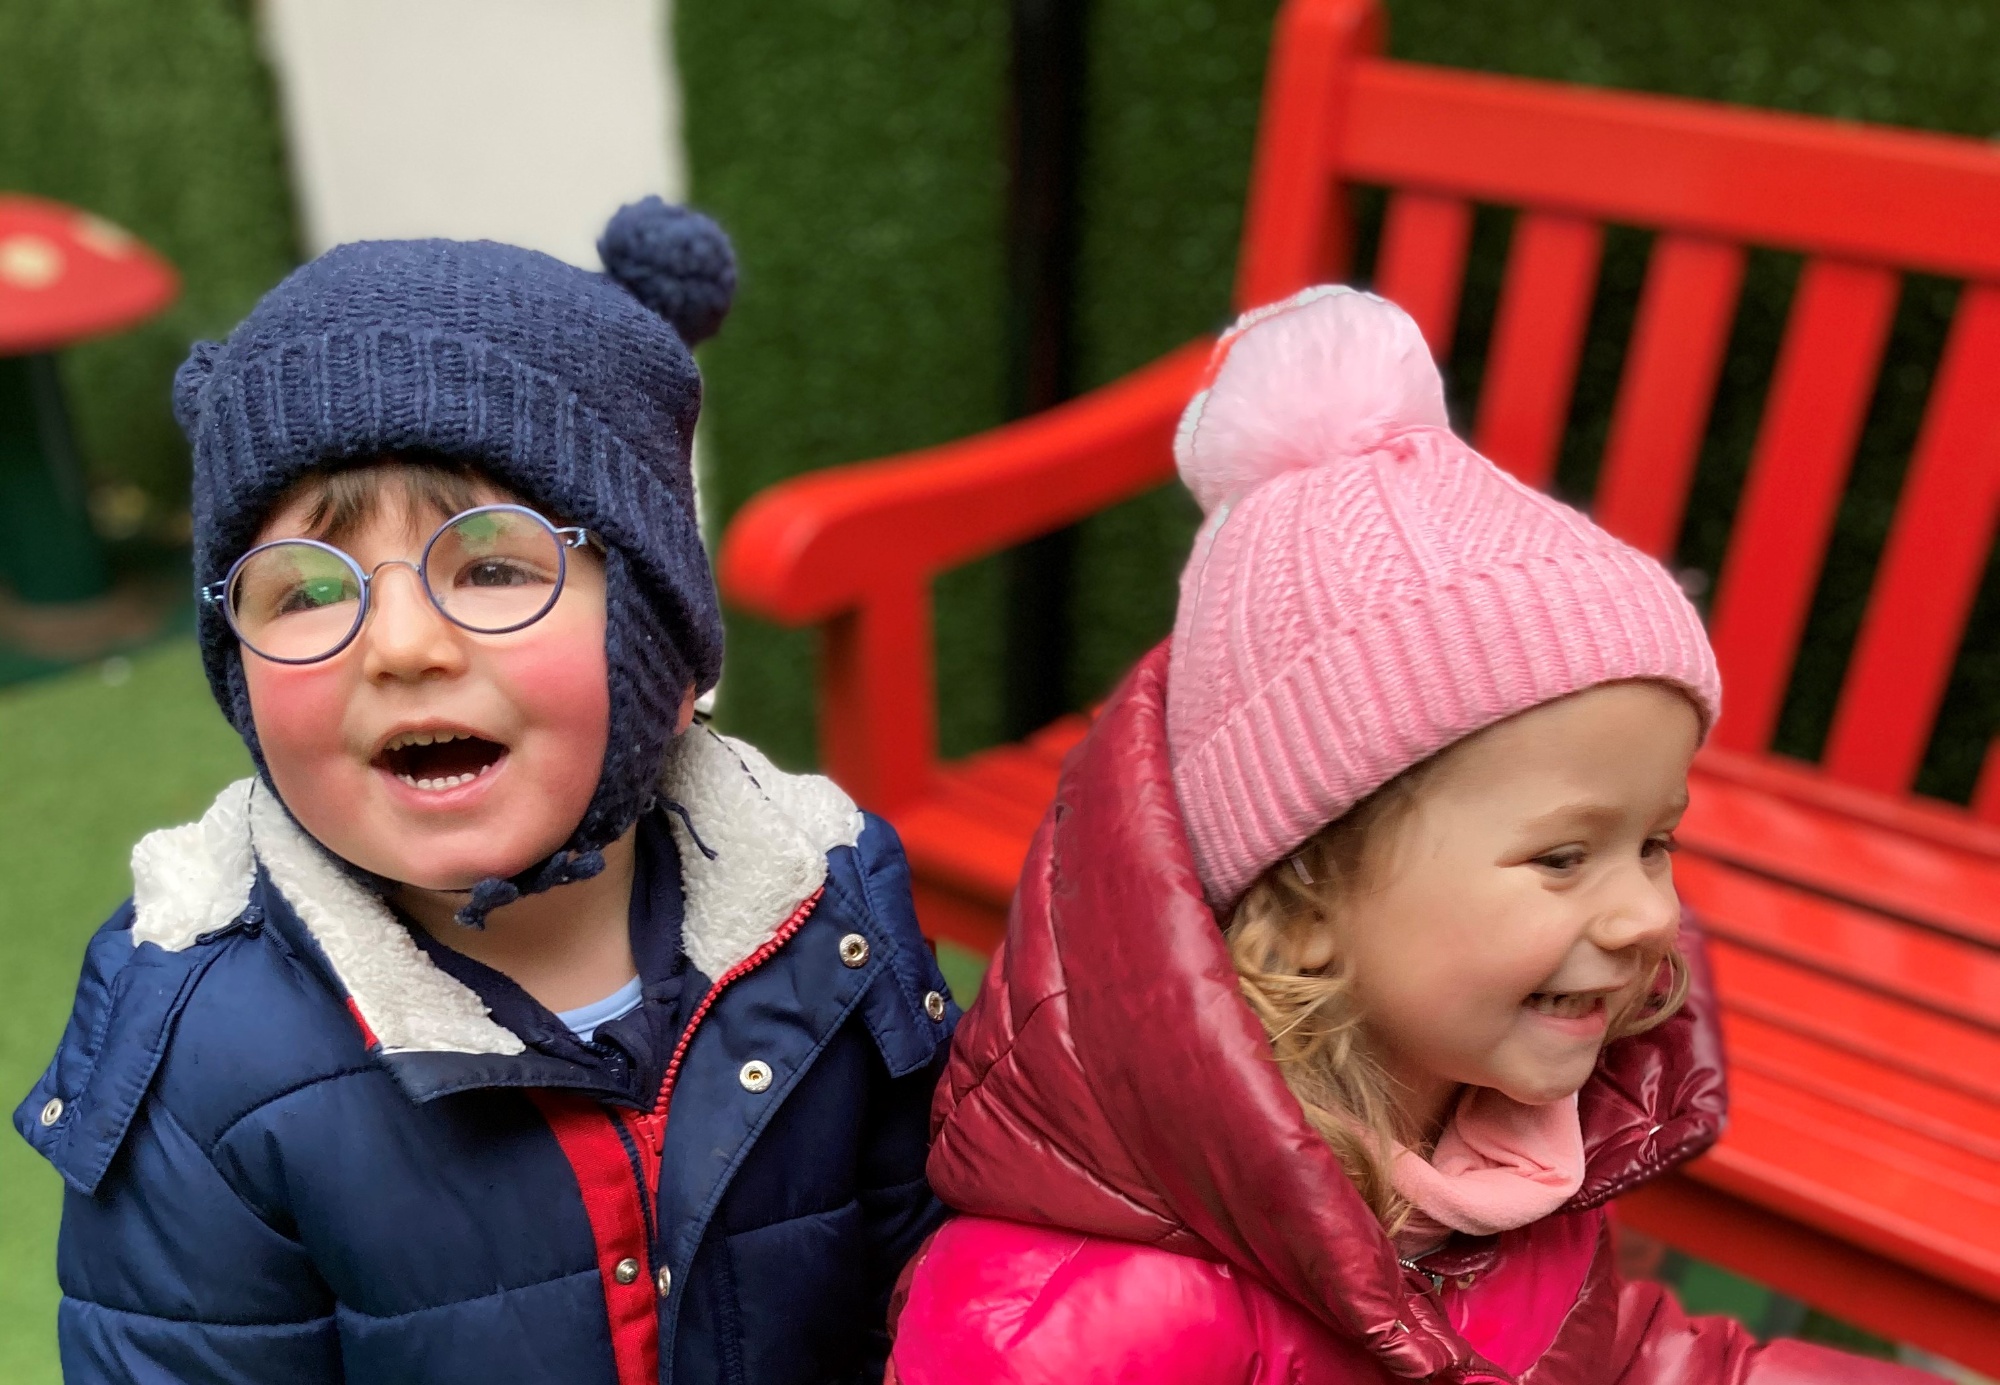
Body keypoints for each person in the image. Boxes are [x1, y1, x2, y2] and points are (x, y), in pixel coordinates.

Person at [886, 288, 1929, 1384]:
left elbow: (1616, 1355)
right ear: (1299, 911)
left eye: (1654, 841)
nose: (1648, 912)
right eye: (1563, 856)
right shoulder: (1073, 1326)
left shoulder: (1491, 1141)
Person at [15, 199, 959, 1385]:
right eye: (307, 589)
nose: (400, 644)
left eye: (497, 563)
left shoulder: (831, 916)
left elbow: (943, 1292)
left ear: (654, 639)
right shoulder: (199, 1056)